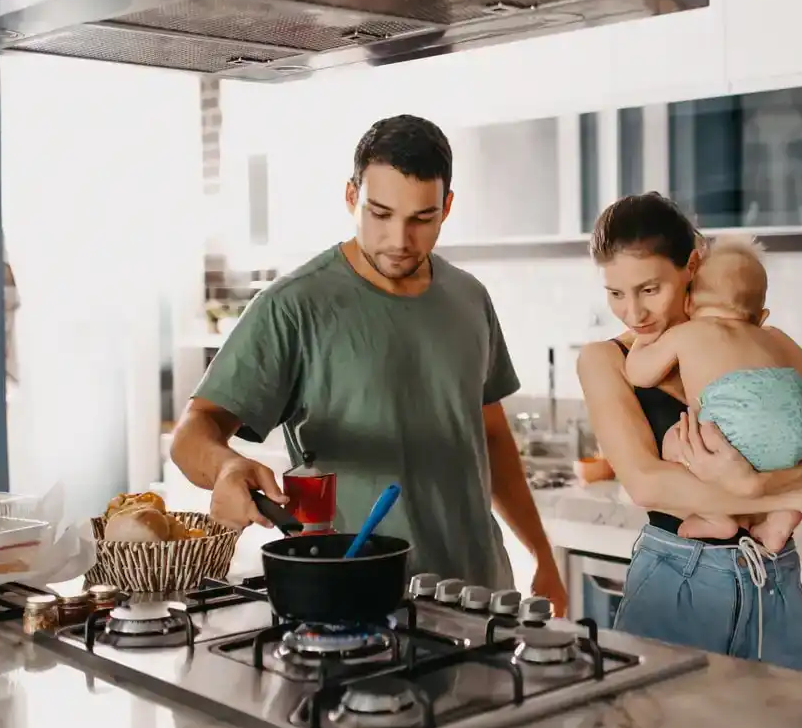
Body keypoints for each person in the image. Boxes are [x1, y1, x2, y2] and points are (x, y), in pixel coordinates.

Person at [170, 114, 567, 612]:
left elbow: (490, 436)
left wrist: (541, 554)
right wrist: (227, 466)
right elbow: (192, 434)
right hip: (358, 597)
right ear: (351, 196)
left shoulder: (469, 298)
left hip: (479, 594)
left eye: (422, 218)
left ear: (446, 207)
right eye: (380, 213)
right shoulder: (294, 305)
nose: (400, 239)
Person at [577, 192, 802, 671]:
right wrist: (797, 495)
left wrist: (762, 485)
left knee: (786, 723)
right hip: (678, 585)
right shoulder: (607, 360)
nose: (634, 313)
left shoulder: (764, 341)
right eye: (616, 294)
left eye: (649, 289)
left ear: (691, 266)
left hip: (772, 585)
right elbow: (648, 485)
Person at [623, 234, 802, 553]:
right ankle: (782, 517)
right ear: (762, 315)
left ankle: (717, 518)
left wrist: (641, 339)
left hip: (736, 430)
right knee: (782, 457)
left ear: (688, 303)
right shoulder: (769, 338)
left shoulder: (688, 333)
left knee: (678, 439)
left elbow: (639, 374)